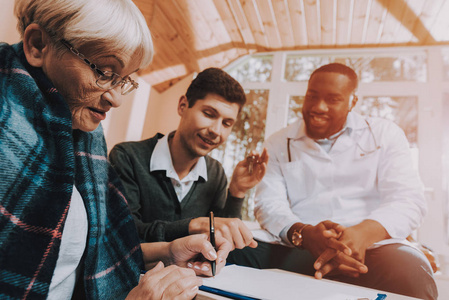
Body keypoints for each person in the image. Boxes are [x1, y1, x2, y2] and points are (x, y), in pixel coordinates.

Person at [0, 1, 231, 299]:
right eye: (105, 71)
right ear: (38, 45)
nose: (117, 99)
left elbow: (78, 260)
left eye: (124, 80)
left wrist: (169, 252)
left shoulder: (80, 135)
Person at [228, 63, 438, 299]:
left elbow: (408, 200)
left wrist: (360, 235)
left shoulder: (385, 134)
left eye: (333, 99)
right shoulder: (278, 142)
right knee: (234, 256)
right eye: (312, 96)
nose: (318, 107)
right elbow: (268, 204)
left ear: (353, 102)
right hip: (302, 244)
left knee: (412, 270)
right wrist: (304, 233)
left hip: (371, 248)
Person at [109, 67, 269, 250]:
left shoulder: (216, 174)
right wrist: (194, 225)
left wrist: (237, 192)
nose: (216, 131)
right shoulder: (127, 157)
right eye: (209, 114)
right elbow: (124, 233)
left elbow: (222, 243)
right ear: (183, 106)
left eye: (226, 123)